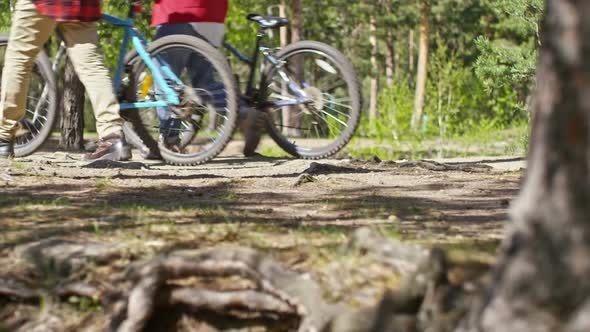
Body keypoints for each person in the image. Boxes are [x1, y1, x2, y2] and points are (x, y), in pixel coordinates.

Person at [0, 0, 131, 161]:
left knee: (19, 60)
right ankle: (112, 135)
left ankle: (3, 136)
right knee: (92, 66)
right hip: (82, 5)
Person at [151, 0, 262, 157]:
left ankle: (170, 140)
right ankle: (243, 112)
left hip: (178, 12)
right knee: (205, 83)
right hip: (212, 16)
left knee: (165, 77)